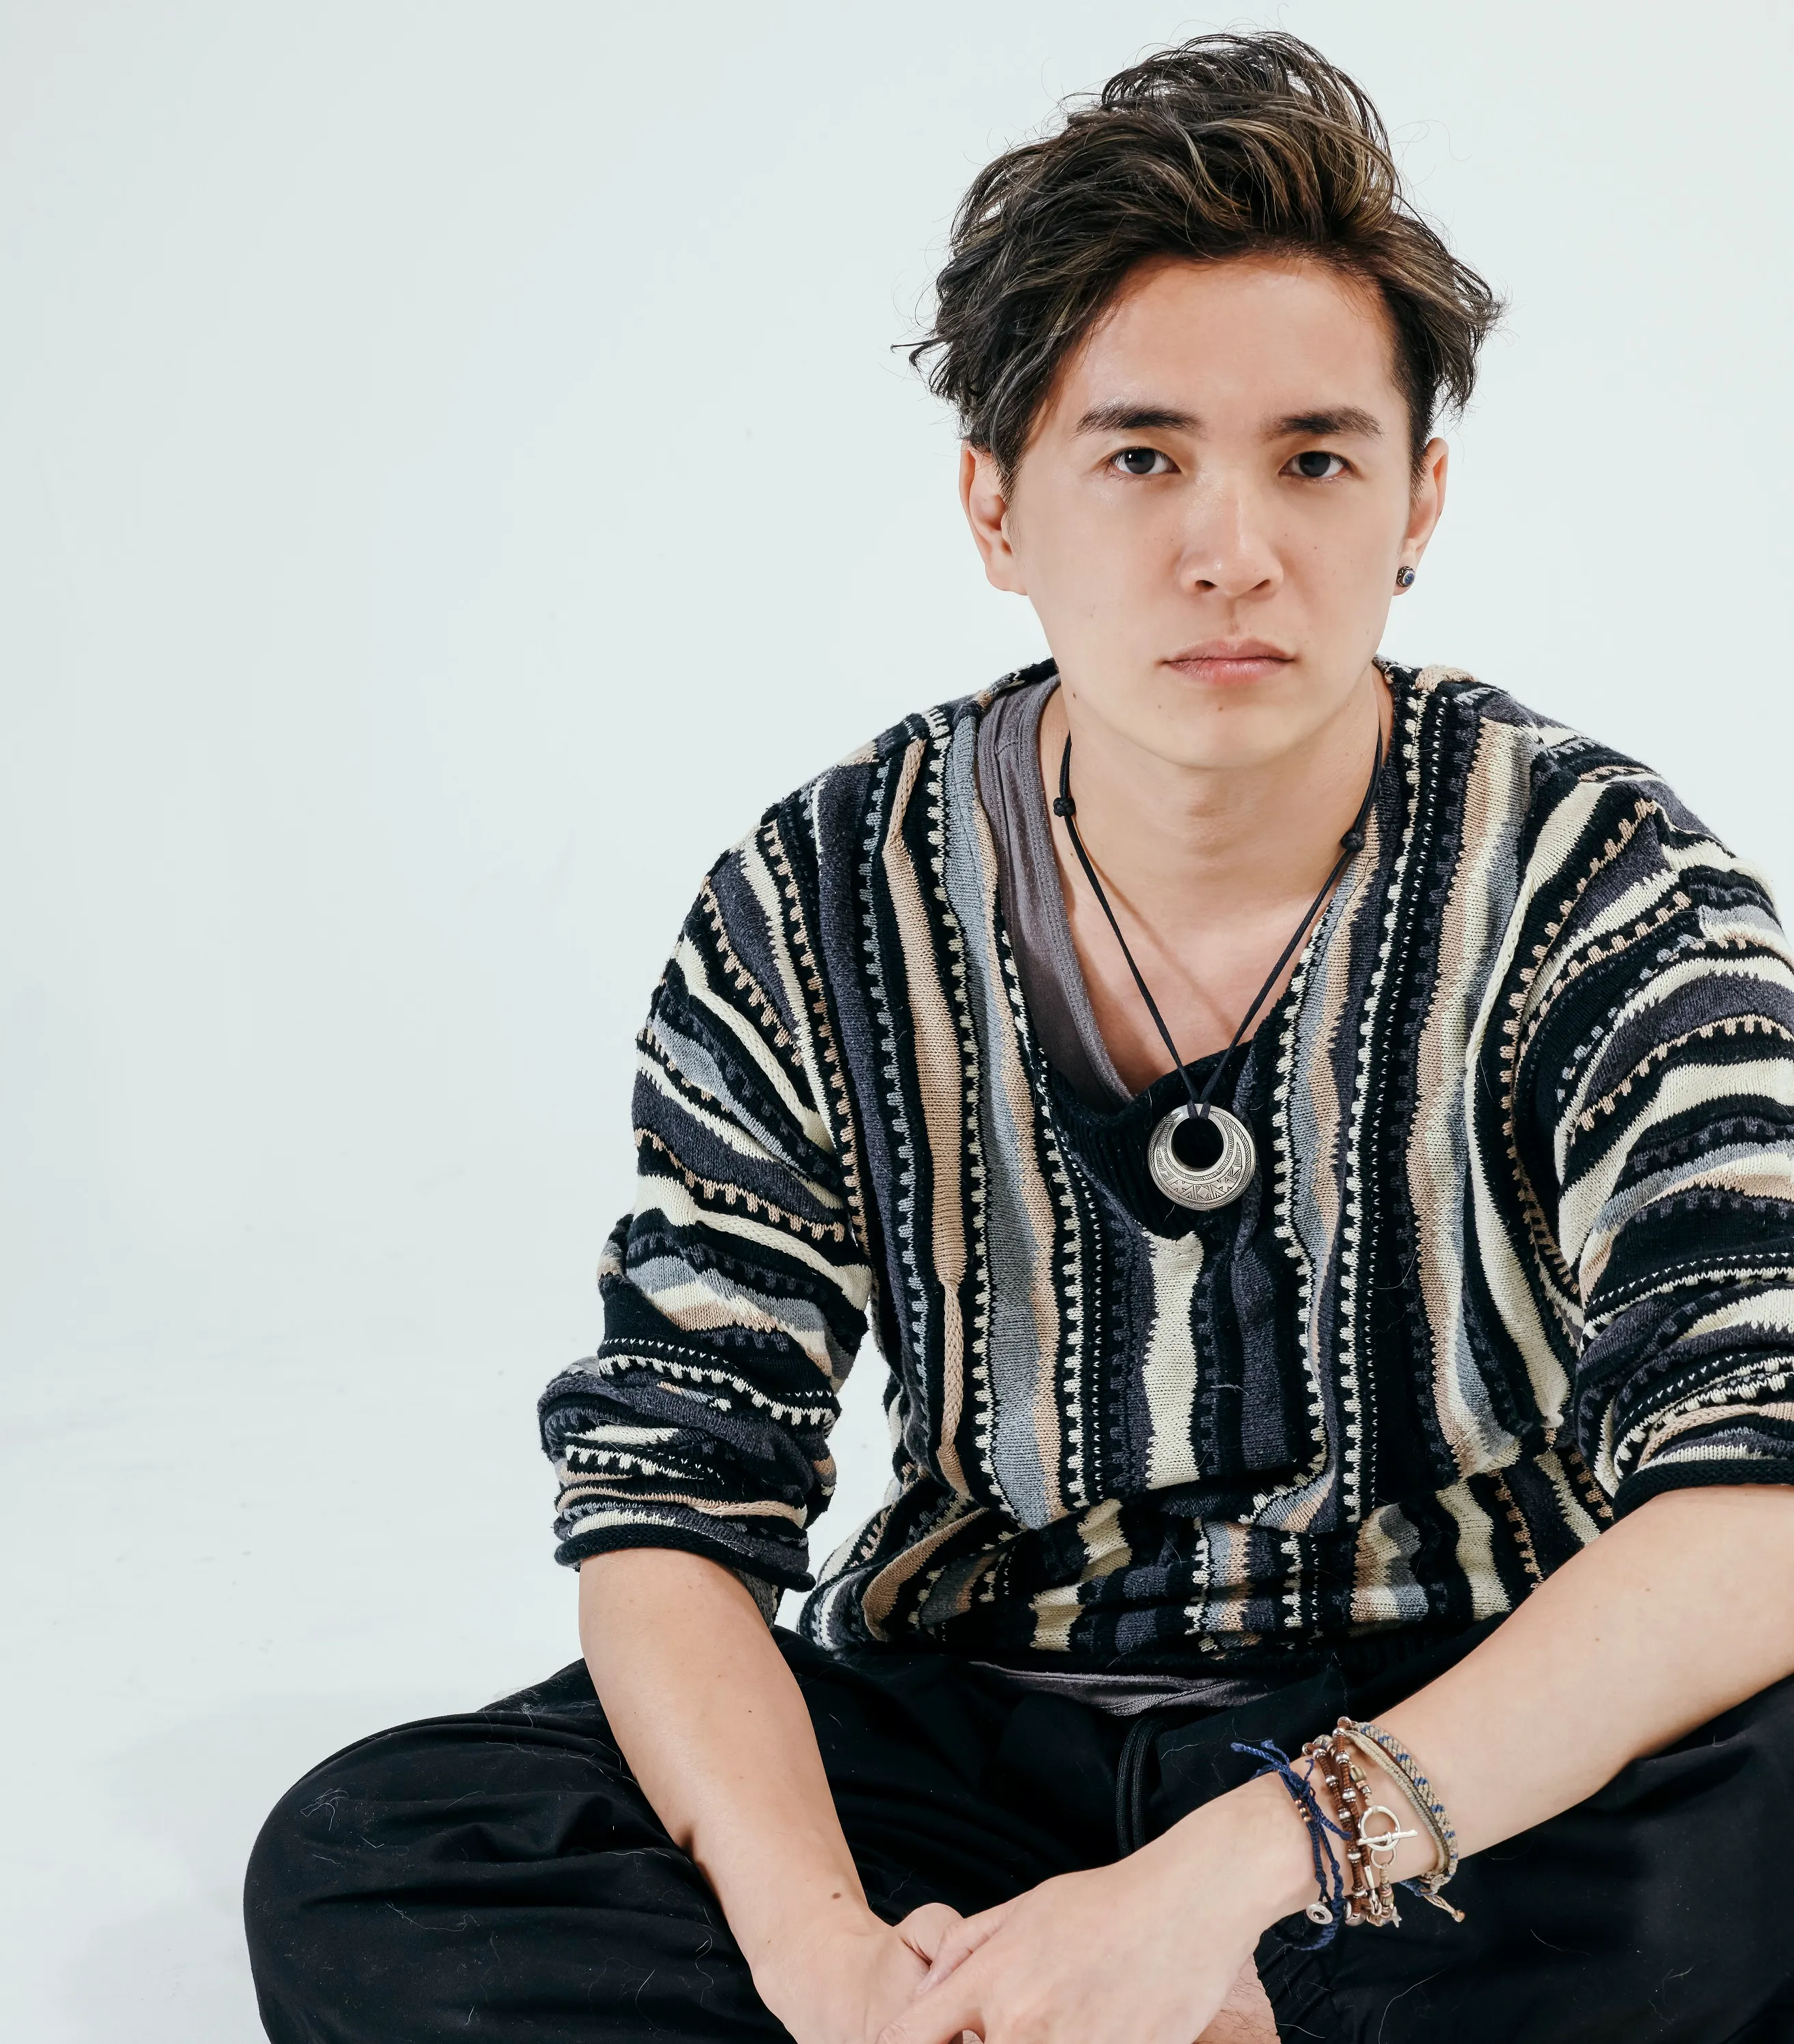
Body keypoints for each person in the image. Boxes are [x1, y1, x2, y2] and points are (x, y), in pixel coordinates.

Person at [245, 33, 1794, 2044]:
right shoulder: (825, 895)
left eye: (1315, 460)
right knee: (378, 1851)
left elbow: (1758, 1489)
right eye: (1139, 458)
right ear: (995, 504)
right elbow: (673, 1497)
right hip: (975, 1718)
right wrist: (821, 1959)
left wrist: (1235, 1884)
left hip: (1444, 1751)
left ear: (1420, 498)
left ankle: (1196, 2003)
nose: (1231, 547)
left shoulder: (1605, 886)